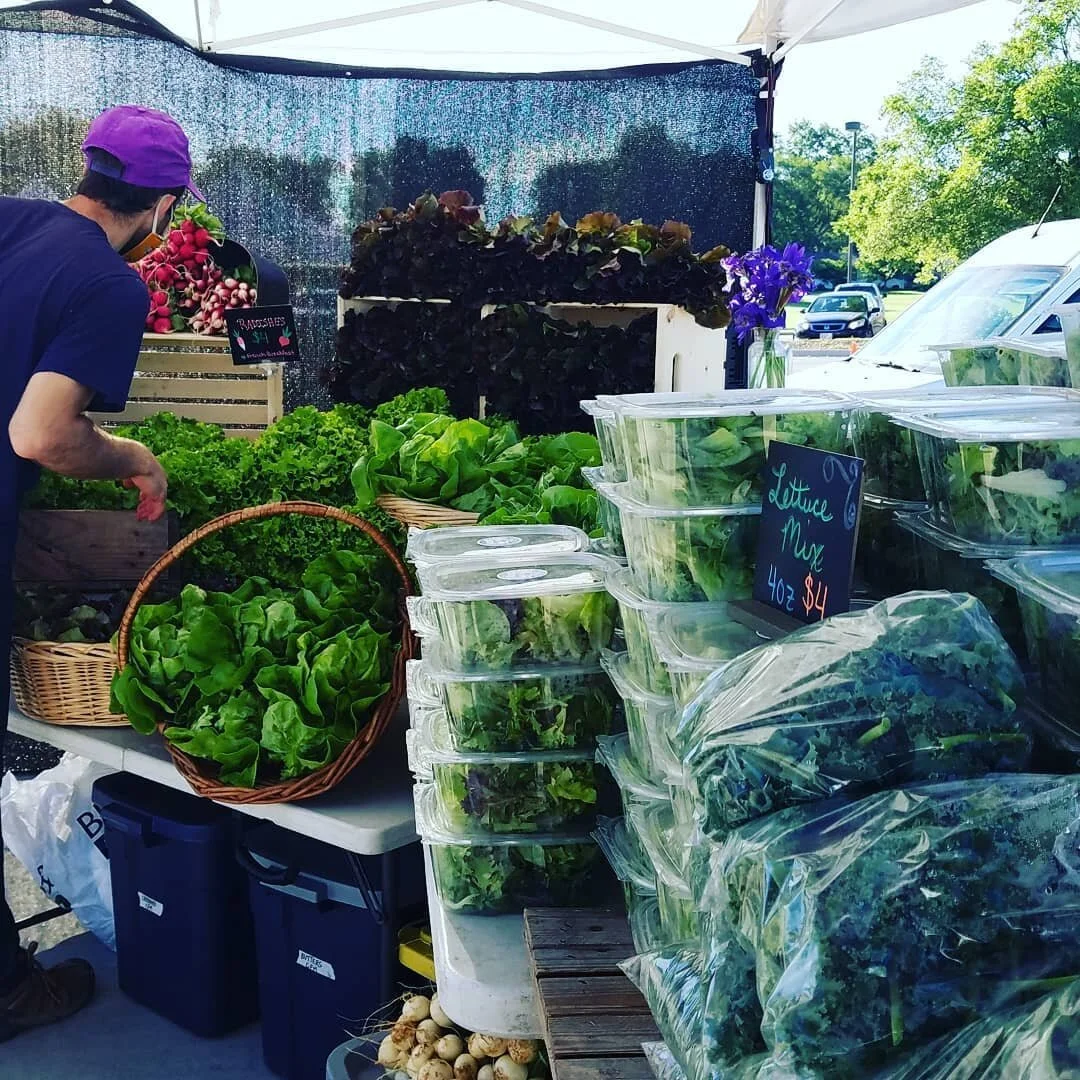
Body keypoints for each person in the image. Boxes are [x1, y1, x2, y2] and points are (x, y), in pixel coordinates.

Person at [0, 105, 203, 1041]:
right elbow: (40, 434)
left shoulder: (12, 220)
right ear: (161, 205)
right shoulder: (108, 284)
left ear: (86, 170)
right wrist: (134, 460)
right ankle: (8, 994)